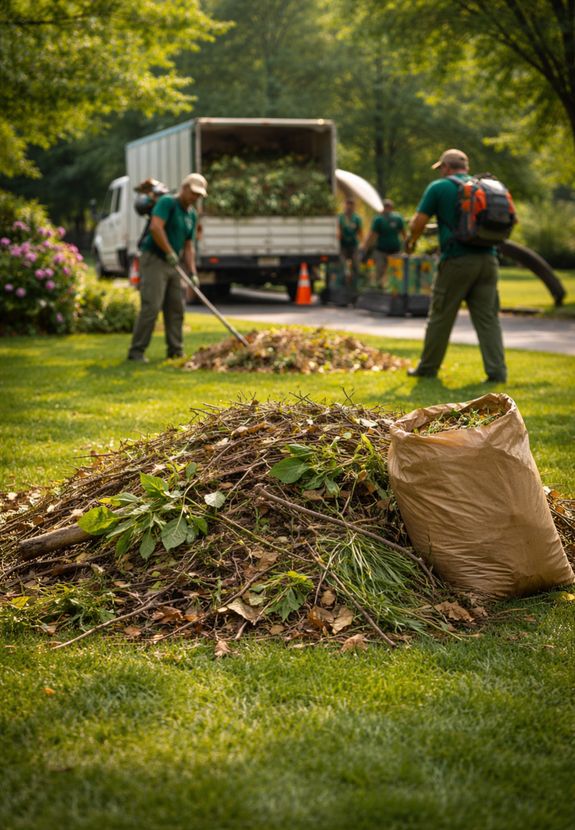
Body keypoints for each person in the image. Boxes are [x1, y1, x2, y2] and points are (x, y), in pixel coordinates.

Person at [405, 148, 507, 382]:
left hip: (457, 260)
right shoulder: (485, 186)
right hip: (489, 260)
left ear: (445, 167)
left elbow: (418, 222)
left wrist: (411, 240)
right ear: (466, 168)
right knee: (488, 318)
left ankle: (428, 368)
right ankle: (497, 372)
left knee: (441, 314)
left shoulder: (439, 187)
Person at [127, 173, 207, 363]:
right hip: (154, 259)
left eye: (199, 195)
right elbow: (156, 227)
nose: (195, 197)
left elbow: (189, 246)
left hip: (173, 263)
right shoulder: (167, 203)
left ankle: (175, 350)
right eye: (193, 193)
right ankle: (136, 352)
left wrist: (193, 272)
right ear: (184, 188)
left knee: (176, 308)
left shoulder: (191, 215)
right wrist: (169, 251)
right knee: (152, 307)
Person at [362, 199, 406, 289]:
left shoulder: (397, 218)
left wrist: (407, 246)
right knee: (380, 270)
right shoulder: (379, 219)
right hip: (381, 250)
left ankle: (393, 289)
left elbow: (403, 233)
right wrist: (366, 246)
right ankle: (380, 288)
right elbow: (372, 235)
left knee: (395, 271)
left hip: (395, 250)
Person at [338, 198, 363, 289]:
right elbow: (338, 230)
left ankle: (355, 285)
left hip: (353, 245)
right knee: (343, 265)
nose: (349, 207)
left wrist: (362, 244)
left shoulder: (356, 218)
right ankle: (343, 284)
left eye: (351, 205)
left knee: (356, 265)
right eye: (347, 205)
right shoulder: (340, 217)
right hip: (343, 245)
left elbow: (360, 232)